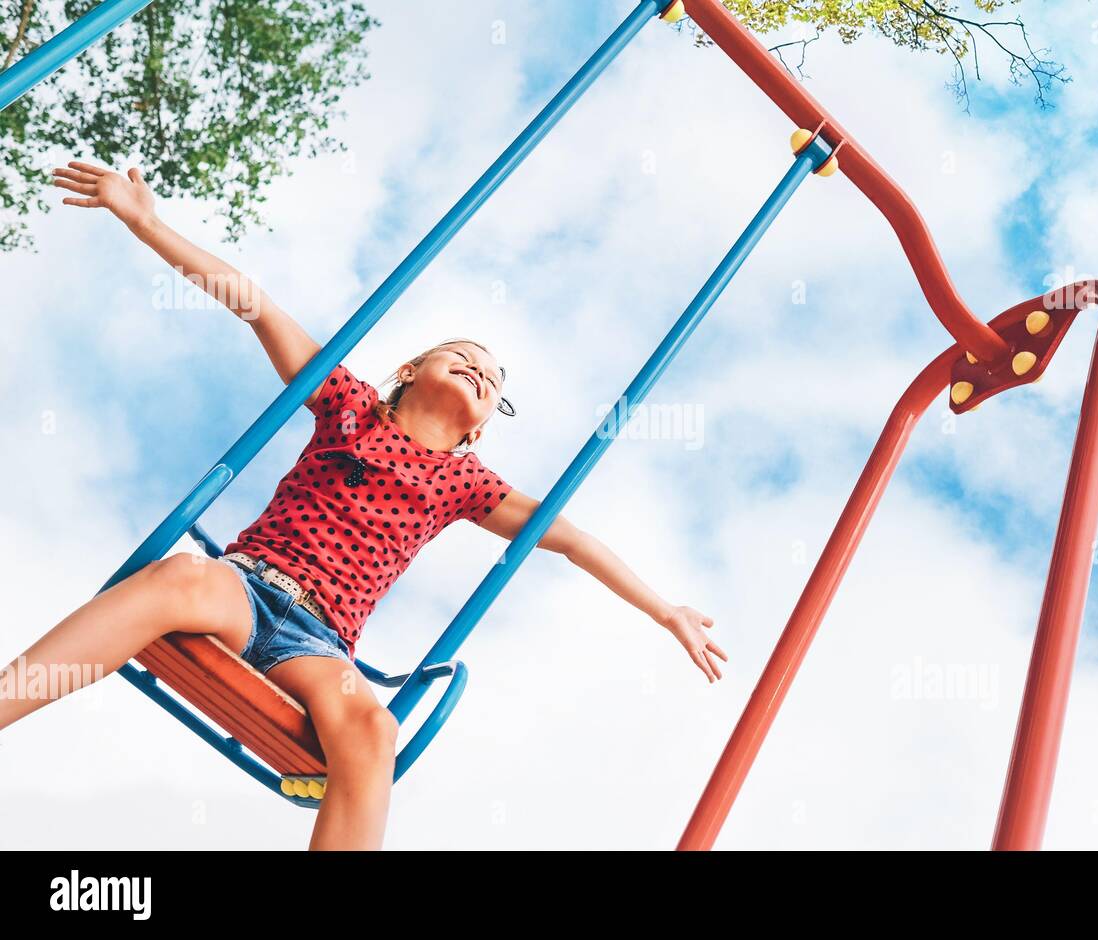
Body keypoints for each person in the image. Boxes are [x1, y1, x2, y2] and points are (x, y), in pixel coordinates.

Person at [0, 161, 726, 850]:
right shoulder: (346, 403)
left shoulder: (468, 486)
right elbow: (256, 305)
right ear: (407, 372)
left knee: (374, 730)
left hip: (319, 645)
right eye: (461, 354)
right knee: (180, 578)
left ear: (479, 427)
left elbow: (570, 540)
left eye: (492, 379)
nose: (479, 366)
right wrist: (145, 224)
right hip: (246, 589)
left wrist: (666, 611)